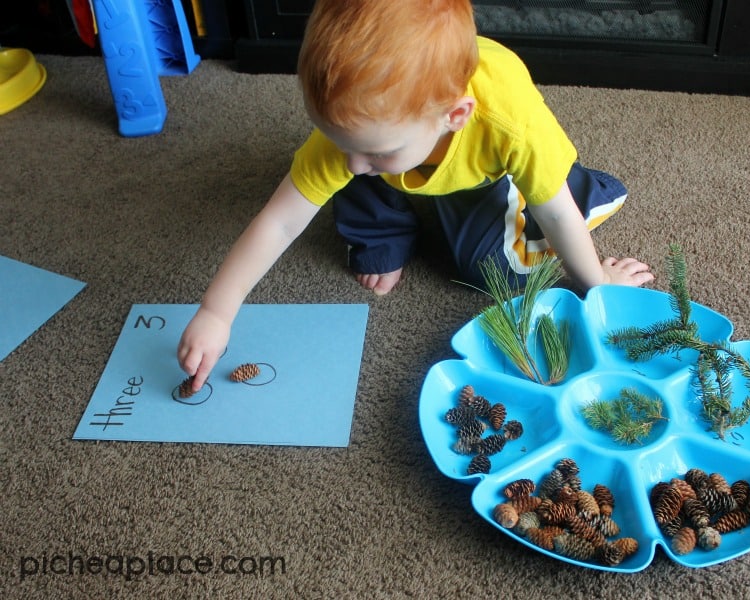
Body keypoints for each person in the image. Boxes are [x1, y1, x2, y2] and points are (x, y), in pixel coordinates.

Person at [177, 0, 654, 391]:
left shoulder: (509, 125)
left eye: (372, 149)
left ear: (455, 115)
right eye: (342, 144)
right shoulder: (359, 139)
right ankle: (389, 219)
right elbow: (280, 221)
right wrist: (217, 311)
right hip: (410, 150)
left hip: (488, 174)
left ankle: (588, 190)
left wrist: (597, 285)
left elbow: (553, 213)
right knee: (359, 180)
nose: (350, 164)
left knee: (488, 267)